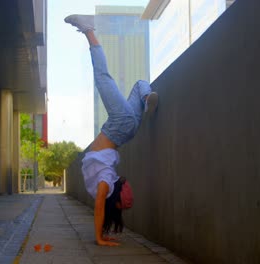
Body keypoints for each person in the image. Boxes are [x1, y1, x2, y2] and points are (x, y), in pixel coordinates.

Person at [64, 14, 158, 247]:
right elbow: (98, 210)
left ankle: (146, 97)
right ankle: (88, 29)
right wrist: (98, 238)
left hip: (127, 130)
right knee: (102, 77)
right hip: (119, 126)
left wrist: (101, 236)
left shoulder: (106, 185)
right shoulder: (105, 183)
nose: (124, 183)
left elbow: (100, 211)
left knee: (138, 84)